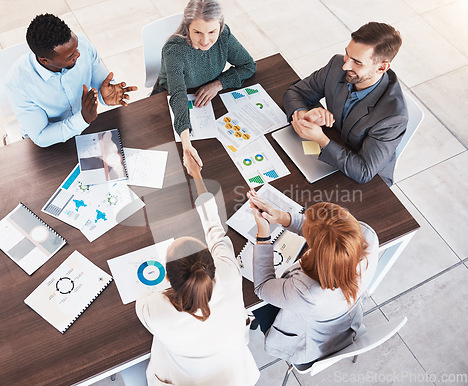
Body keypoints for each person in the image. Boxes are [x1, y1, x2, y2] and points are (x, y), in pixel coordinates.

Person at [135, 150, 260, 385]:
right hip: (235, 377)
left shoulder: (156, 308)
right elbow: (215, 228)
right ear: (211, 264)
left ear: (168, 280)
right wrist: (197, 175)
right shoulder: (229, 274)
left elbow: (142, 296)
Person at [247, 190, 378, 365]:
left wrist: (263, 235)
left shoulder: (308, 293)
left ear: (318, 252)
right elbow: (328, 232)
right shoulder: (367, 236)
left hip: (311, 344)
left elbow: (262, 286)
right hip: (344, 320)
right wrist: (282, 217)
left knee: (248, 296)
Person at [283, 22, 407, 186]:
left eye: (357, 62)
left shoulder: (393, 117)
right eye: (347, 54)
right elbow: (296, 92)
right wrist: (302, 113)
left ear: (382, 67)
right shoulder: (336, 65)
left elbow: (364, 171)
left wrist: (322, 140)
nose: (345, 65)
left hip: (369, 181)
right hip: (338, 145)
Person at [6, 13, 137, 147]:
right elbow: (41, 136)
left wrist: (107, 95)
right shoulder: (19, 83)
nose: (78, 54)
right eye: (71, 56)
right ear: (44, 61)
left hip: (84, 126)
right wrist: (82, 119)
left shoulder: (84, 46)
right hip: (49, 142)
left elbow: (102, 85)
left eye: (76, 47)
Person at [156, 0, 256, 172]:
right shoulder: (174, 50)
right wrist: (187, 146)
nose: (205, 40)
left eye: (212, 32)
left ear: (220, 26)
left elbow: (248, 66)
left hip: (207, 97)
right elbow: (178, 94)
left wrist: (218, 84)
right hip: (168, 97)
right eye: (197, 32)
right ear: (187, 28)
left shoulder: (224, 36)